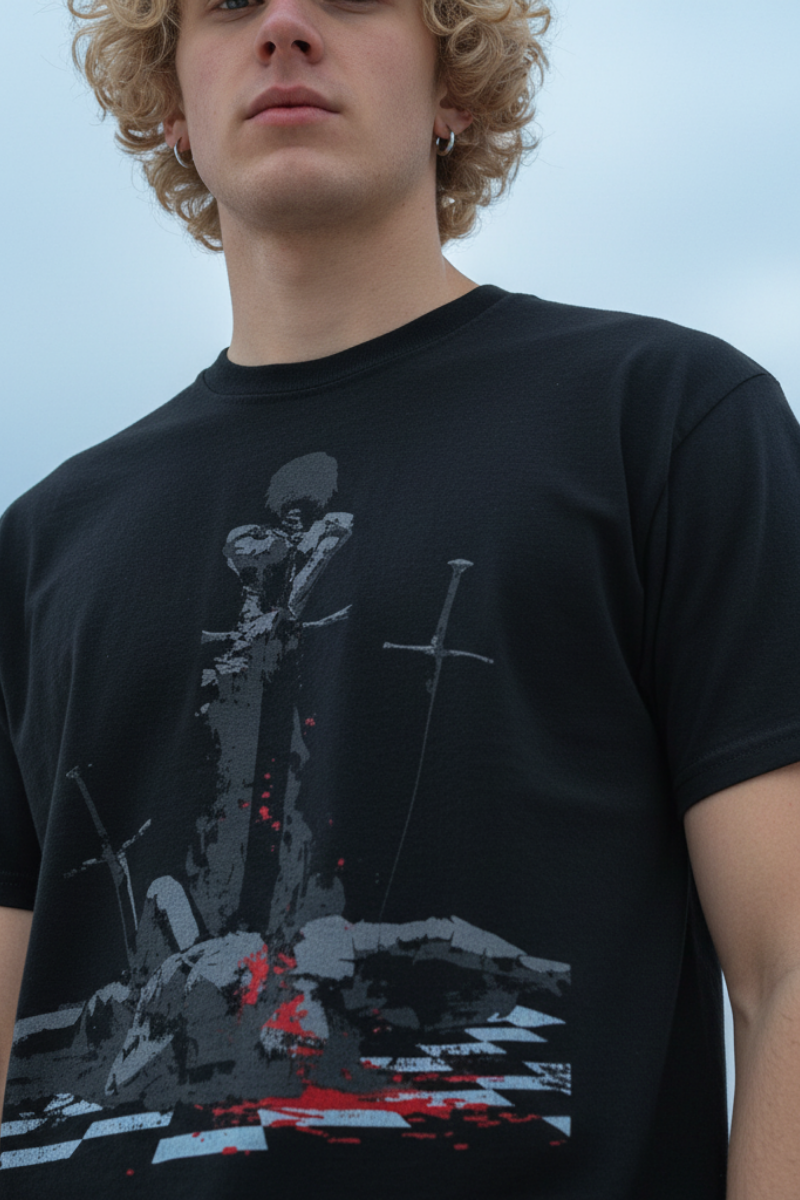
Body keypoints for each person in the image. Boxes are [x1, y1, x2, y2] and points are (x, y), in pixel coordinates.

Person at [2, 0, 800, 1195]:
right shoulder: (43, 546)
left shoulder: (659, 425)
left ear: (453, 82)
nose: (283, 25)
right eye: (227, 4)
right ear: (169, 101)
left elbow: (785, 961)